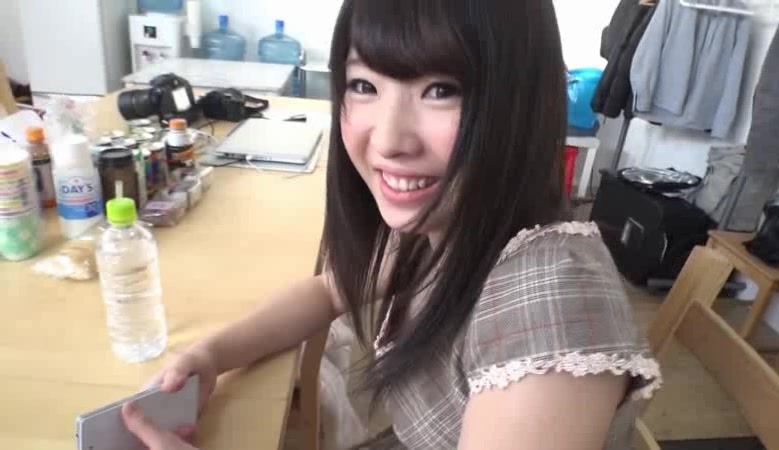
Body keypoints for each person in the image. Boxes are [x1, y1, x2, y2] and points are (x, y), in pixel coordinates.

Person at [123, 0, 662, 448]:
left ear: (521, 100)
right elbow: (329, 291)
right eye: (363, 85)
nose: (387, 140)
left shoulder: (550, 303)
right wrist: (213, 355)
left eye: (441, 90)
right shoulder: (447, 224)